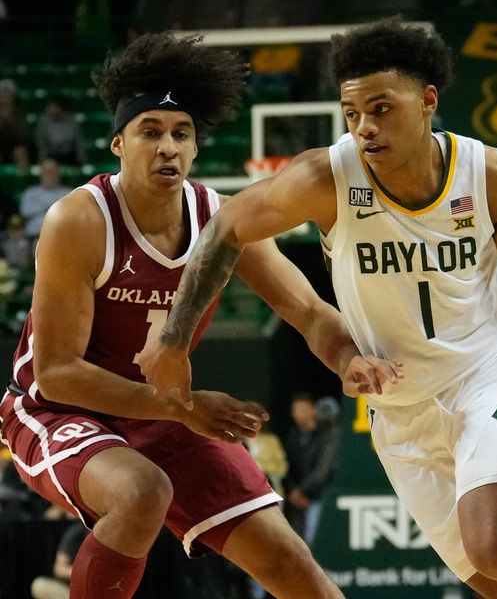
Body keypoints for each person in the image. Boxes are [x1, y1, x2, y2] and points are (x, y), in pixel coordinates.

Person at [141, 19, 497, 599]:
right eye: (352, 114)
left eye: (381, 108)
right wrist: (175, 342)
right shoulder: (325, 177)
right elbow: (225, 227)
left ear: (427, 100)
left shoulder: (488, 173)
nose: (366, 128)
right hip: (399, 412)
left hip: (488, 379)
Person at [0, 32, 402, 599]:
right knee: (142, 491)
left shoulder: (220, 219)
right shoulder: (81, 220)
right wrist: (179, 407)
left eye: (181, 134)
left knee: (290, 561)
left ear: (194, 150)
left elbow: (308, 309)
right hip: (55, 409)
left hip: (163, 412)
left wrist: (348, 357)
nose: (167, 147)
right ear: (118, 143)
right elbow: (58, 372)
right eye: (150, 132)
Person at [283, 392, 340, 546]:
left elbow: (323, 470)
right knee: (296, 545)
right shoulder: (292, 437)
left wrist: (302, 491)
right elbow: (285, 467)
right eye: (296, 410)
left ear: (312, 409)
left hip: (317, 497)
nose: (299, 414)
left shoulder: (327, 435)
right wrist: (293, 491)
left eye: (303, 409)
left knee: (314, 546)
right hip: (295, 501)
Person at [30, 517, 90, 599]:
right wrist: (85, 572)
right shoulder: (77, 530)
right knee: (39, 585)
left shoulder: (109, 533)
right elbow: (59, 569)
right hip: (74, 589)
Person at [18, 158, 72, 245]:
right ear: (40, 173)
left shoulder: (70, 193)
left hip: (62, 237)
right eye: (46, 171)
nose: (49, 174)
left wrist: (42, 208)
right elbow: (24, 212)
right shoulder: (30, 193)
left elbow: (72, 216)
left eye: (52, 171)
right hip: (34, 236)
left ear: (58, 172)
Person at [34, 96, 87, 166]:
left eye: (55, 108)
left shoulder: (71, 121)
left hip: (68, 153)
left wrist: (82, 160)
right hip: (51, 153)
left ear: (60, 108)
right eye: (50, 108)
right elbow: (40, 141)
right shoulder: (44, 121)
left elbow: (78, 141)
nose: (52, 111)